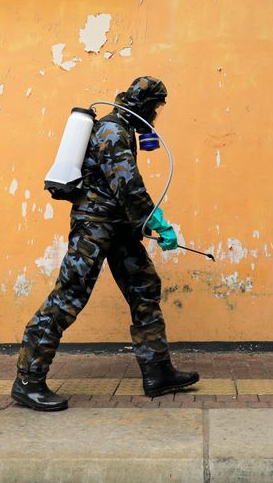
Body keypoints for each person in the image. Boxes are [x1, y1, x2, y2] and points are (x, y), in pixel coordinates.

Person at [11, 76, 199, 411]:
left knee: (144, 285)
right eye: (156, 106)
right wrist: (154, 221)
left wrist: (142, 222)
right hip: (95, 227)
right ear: (144, 103)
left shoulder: (124, 127)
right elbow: (127, 185)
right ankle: (28, 380)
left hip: (118, 225)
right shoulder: (113, 130)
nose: (156, 114)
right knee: (69, 295)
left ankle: (157, 371)